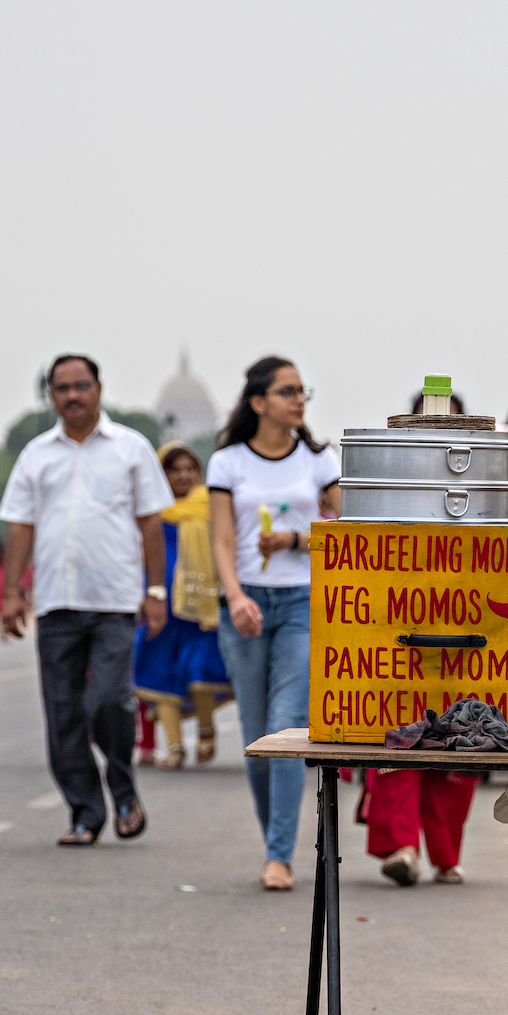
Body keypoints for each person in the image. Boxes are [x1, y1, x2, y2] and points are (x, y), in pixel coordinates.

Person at [0, 354, 170, 847]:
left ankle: (122, 787)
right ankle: (85, 812)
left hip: (114, 599)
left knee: (108, 701)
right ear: (50, 395)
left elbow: (151, 524)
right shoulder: (36, 454)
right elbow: (20, 526)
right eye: (61, 388)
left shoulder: (131, 449)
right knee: (63, 711)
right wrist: (11, 593)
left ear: (99, 388)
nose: (72, 395)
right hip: (56, 601)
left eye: (81, 385)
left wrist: (155, 591)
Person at [208, 355, 340, 891]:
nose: (298, 400)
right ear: (258, 402)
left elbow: (342, 524)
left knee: (286, 726)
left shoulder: (318, 459)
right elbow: (221, 539)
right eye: (287, 391)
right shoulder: (229, 462)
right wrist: (235, 595)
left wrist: (296, 539)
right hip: (245, 603)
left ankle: (279, 854)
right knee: (255, 732)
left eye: (301, 390)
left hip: (302, 600)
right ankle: (275, 844)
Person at [363, 388, 472, 884]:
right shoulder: (390, 485)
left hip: (465, 630)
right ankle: (404, 846)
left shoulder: (481, 485)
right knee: (401, 739)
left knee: (458, 745)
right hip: (402, 629)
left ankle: (446, 855)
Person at [133, 442, 234, 771]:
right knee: (158, 672)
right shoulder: (151, 510)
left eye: (190, 469)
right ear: (161, 475)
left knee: (199, 668)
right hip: (160, 602)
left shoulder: (211, 506)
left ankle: (206, 730)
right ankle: (174, 747)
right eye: (174, 470)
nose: (183, 476)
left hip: (199, 605)